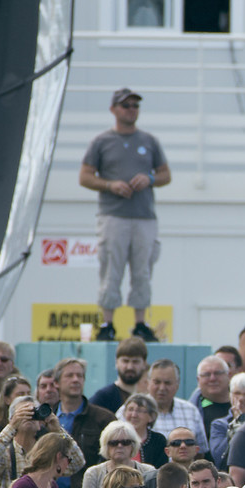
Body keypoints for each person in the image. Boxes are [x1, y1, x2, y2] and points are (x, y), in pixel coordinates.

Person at [80, 88, 170, 342]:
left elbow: (165, 174)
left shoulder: (149, 141)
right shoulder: (101, 141)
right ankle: (108, 322)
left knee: (143, 269)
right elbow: (85, 176)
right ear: (114, 109)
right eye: (126, 105)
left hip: (144, 215)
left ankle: (140, 322)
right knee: (111, 267)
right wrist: (110, 185)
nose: (131, 110)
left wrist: (149, 178)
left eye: (135, 106)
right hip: (113, 214)